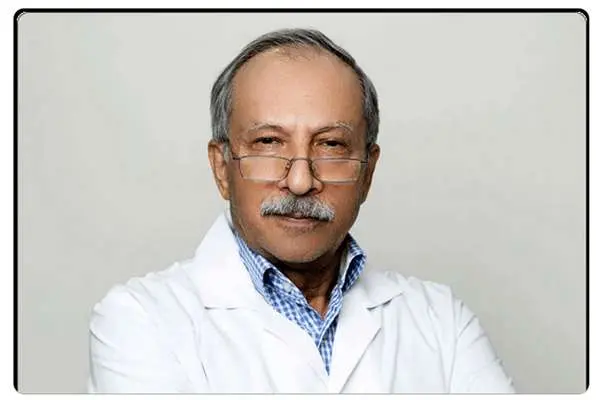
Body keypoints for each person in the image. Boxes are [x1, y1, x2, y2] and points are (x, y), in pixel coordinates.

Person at [87, 28, 515, 394]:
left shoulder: (441, 322)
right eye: (268, 143)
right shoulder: (139, 321)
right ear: (221, 167)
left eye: (331, 145)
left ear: (368, 171)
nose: (299, 181)